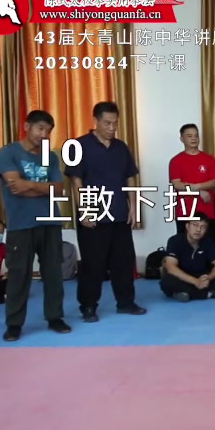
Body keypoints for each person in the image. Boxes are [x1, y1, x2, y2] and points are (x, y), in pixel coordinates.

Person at [65, 101, 146, 322]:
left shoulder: (121, 147)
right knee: (93, 264)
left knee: (124, 261)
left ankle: (126, 302)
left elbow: (130, 177)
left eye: (115, 123)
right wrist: (84, 210)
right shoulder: (79, 146)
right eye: (107, 123)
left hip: (119, 212)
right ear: (96, 121)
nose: (112, 128)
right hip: (94, 213)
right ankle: (88, 306)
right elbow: (76, 181)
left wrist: (133, 206)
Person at [0, 110, 71, 341]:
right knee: (19, 276)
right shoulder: (8, 152)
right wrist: (42, 188)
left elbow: (58, 189)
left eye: (48, 131)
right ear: (26, 126)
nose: (44, 135)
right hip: (21, 223)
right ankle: (14, 323)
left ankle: (55, 317)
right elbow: (13, 186)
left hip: (50, 221)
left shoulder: (50, 156)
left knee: (53, 273)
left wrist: (27, 185)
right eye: (40, 129)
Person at [168, 124, 215, 246]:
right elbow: (177, 185)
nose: (194, 138)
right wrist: (199, 192)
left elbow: (214, 182)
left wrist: (195, 187)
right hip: (185, 211)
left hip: (207, 211)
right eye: (189, 136)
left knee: (209, 246)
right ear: (182, 139)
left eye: (196, 136)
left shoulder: (209, 159)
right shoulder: (176, 161)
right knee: (184, 247)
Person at [160, 219, 215, 302]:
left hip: (201, 276)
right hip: (183, 277)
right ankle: (208, 294)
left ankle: (184, 293)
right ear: (187, 226)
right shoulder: (174, 240)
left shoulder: (207, 241)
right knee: (167, 281)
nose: (198, 230)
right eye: (195, 225)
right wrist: (195, 282)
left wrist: (209, 278)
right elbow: (171, 267)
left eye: (203, 227)